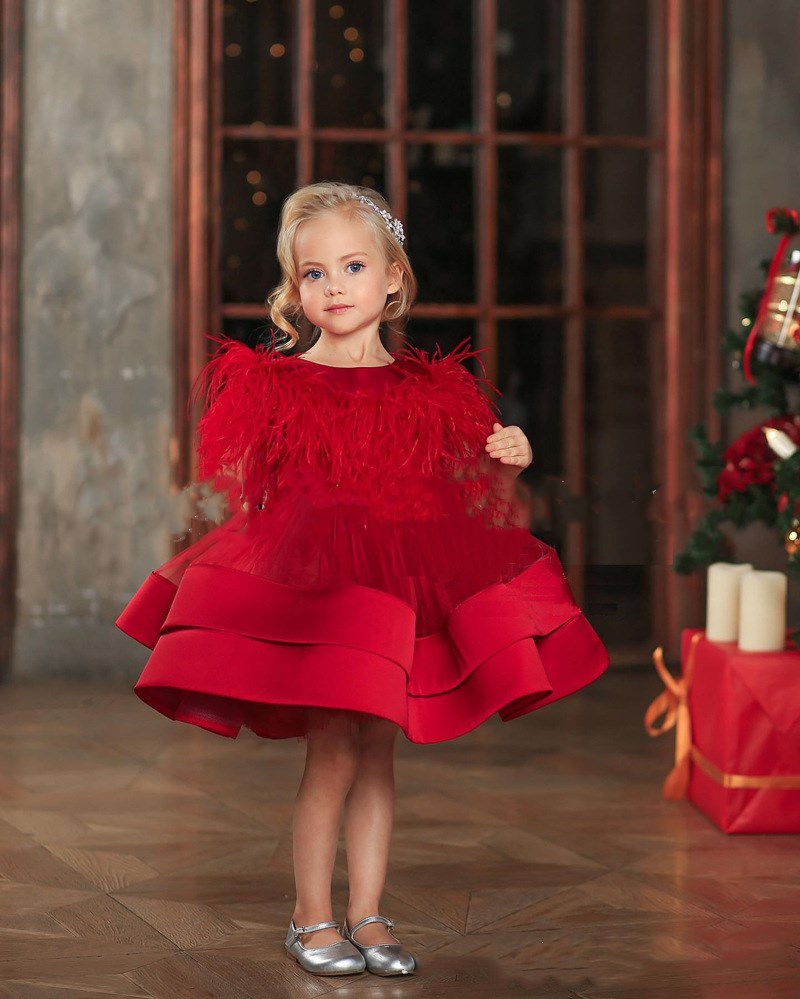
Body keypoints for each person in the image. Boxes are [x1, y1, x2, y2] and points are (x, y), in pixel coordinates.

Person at [116, 182, 610, 978]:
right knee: (334, 752)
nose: (334, 286)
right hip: (321, 587)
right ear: (295, 290)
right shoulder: (276, 383)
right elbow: (251, 494)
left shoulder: (430, 390)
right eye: (314, 273)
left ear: (391, 279)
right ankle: (311, 916)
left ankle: (369, 913)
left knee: (378, 749)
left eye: (351, 266)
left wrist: (507, 448)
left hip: (398, 585)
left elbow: (464, 480)